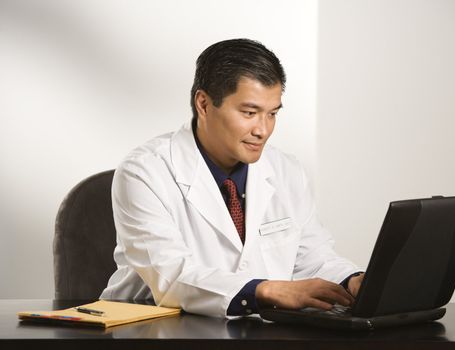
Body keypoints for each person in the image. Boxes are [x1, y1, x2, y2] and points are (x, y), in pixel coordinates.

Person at [101, 38, 364, 317]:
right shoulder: (144, 171)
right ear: (203, 104)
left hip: (254, 331)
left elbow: (314, 258)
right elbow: (171, 275)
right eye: (249, 113)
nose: (263, 130)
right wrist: (264, 290)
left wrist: (353, 280)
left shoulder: (286, 170)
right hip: (154, 330)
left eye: (272, 114)